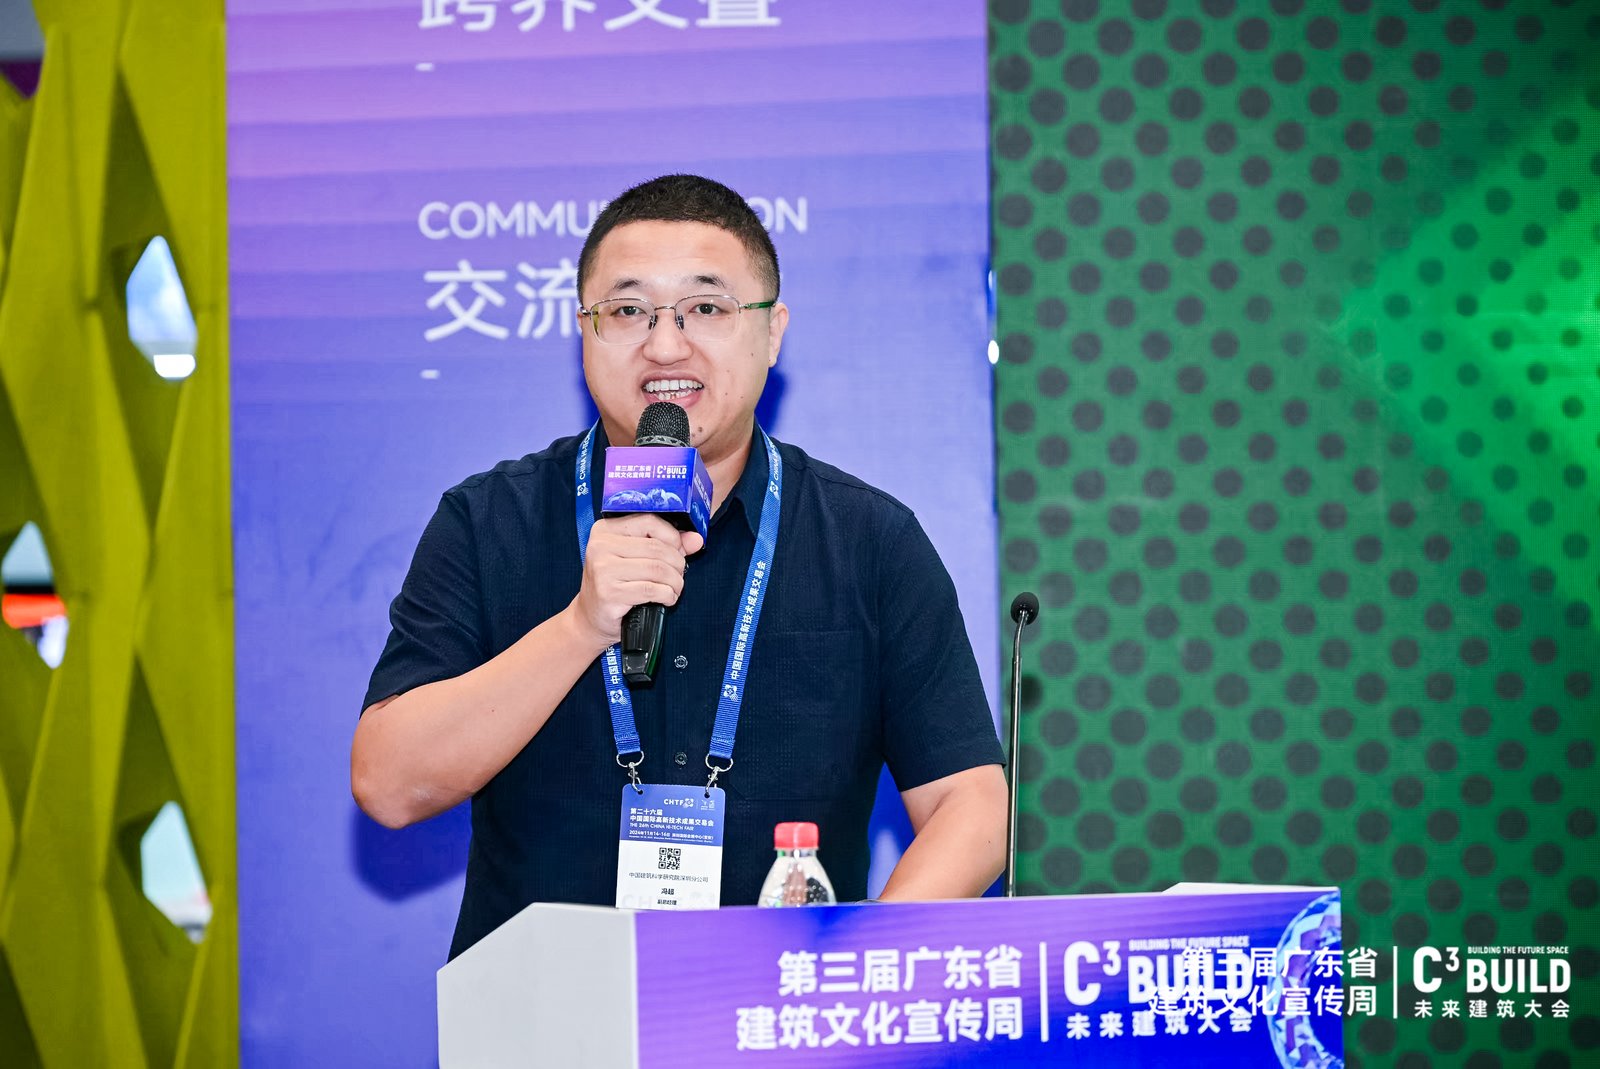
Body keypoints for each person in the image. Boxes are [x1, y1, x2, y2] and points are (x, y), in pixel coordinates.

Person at [353, 174, 1007, 959]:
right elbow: (390, 784)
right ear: (584, 331)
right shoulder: (488, 521)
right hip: (542, 1009)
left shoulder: (870, 540)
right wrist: (581, 625)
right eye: (628, 310)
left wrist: (858, 967)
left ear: (772, 332)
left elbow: (973, 804)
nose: (666, 346)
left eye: (706, 308)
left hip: (782, 1007)